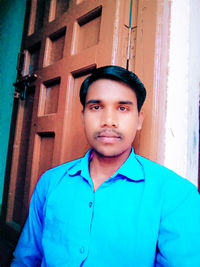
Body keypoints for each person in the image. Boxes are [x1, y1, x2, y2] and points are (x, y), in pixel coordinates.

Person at [11, 65, 200, 266]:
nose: (108, 121)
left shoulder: (177, 194)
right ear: (83, 117)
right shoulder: (50, 182)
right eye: (96, 107)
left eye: (122, 108)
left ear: (139, 120)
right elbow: (25, 260)